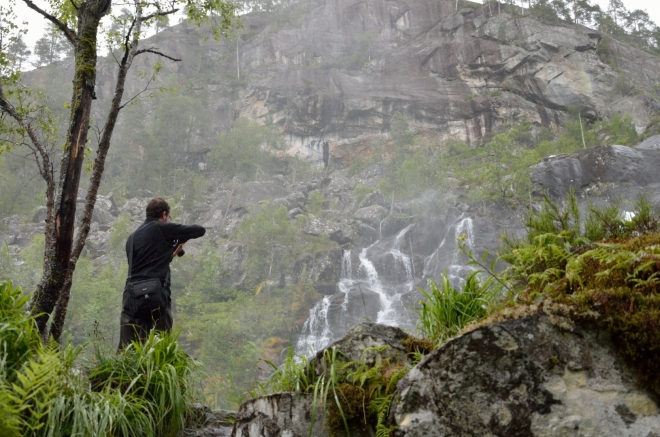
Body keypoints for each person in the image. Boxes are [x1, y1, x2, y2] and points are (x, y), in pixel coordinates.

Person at [118, 197, 206, 348]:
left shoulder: (131, 239)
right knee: (161, 345)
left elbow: (144, 266)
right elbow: (199, 230)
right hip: (154, 296)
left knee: (129, 348)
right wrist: (179, 235)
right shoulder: (161, 228)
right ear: (164, 214)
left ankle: (125, 370)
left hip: (131, 298)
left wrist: (170, 254)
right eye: (168, 217)